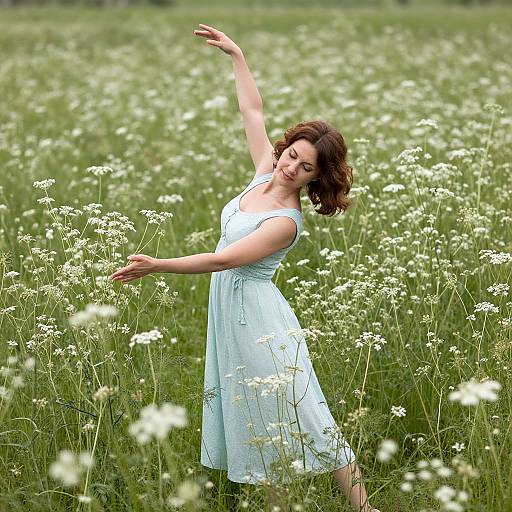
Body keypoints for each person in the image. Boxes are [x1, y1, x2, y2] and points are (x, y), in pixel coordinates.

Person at [110, 23, 380, 512]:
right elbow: (252, 110)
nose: (290, 167)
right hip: (230, 312)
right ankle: (277, 499)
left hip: (257, 319)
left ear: (317, 178)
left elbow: (223, 259)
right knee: (254, 411)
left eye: (305, 168)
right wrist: (237, 55)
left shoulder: (286, 222)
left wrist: (157, 265)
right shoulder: (262, 171)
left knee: (306, 410)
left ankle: (364, 508)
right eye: (292, 155)